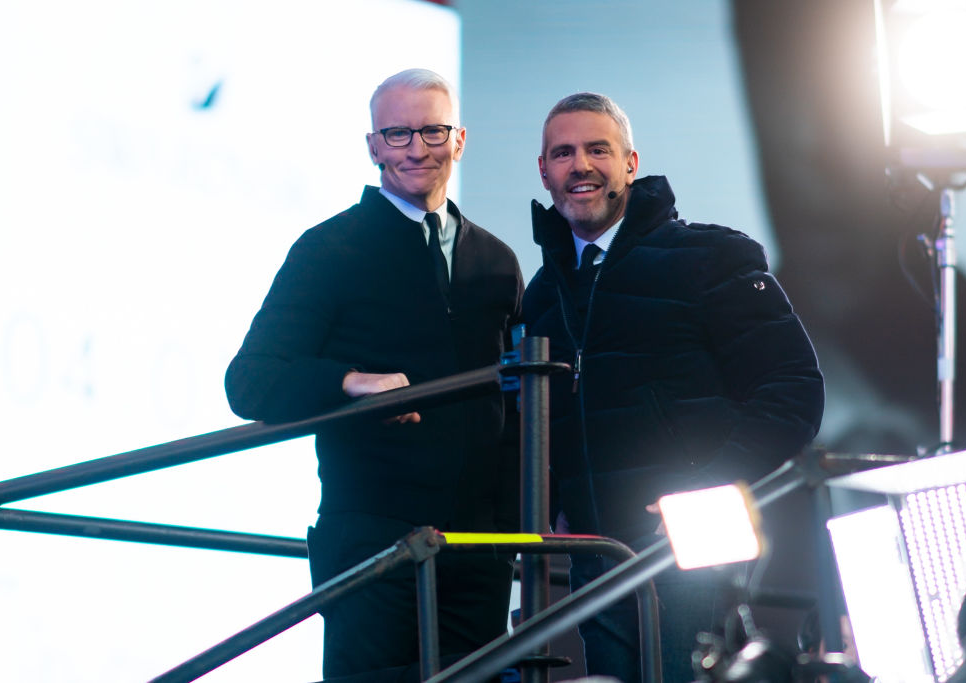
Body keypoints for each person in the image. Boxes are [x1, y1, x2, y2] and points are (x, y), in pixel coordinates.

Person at [225, 68, 524, 682]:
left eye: (433, 131)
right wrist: (348, 382)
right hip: (372, 538)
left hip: (480, 546)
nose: (417, 148)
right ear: (372, 147)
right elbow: (250, 380)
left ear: (460, 139)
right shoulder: (329, 248)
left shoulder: (497, 261)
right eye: (398, 134)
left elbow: (518, 402)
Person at [522, 92, 825, 682]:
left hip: (699, 531)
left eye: (597, 149)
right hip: (596, 548)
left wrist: (706, 489)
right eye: (563, 153)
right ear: (544, 171)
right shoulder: (541, 294)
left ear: (630, 163)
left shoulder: (711, 256)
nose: (580, 165)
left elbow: (794, 390)